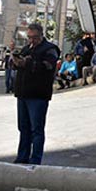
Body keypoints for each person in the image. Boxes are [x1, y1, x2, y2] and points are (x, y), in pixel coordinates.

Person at [12, 23, 60, 165]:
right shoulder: (26, 48)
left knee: (36, 129)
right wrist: (16, 61)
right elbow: (19, 65)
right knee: (23, 128)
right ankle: (22, 157)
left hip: (38, 95)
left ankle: (35, 159)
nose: (31, 40)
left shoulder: (50, 49)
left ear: (41, 35)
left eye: (34, 37)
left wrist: (29, 63)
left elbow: (48, 66)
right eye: (29, 37)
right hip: (23, 93)